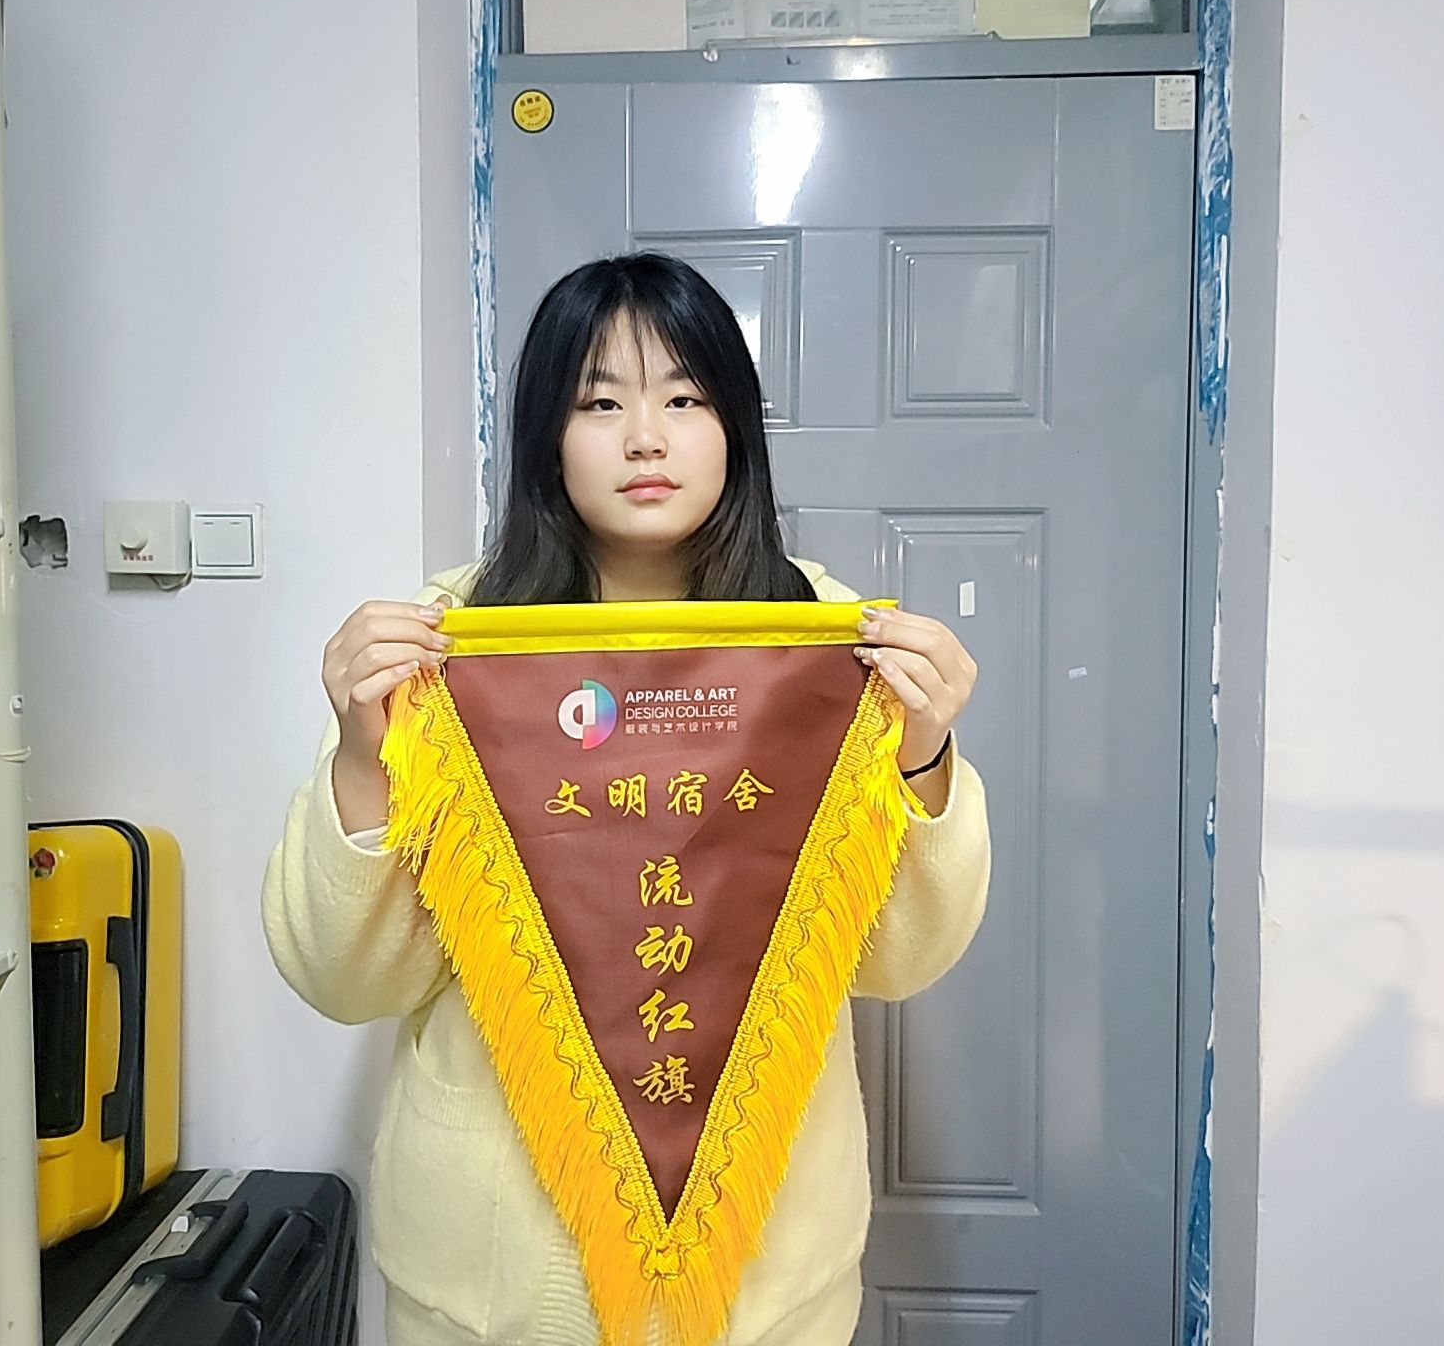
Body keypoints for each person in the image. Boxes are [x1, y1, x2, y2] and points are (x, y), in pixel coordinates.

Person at [263, 253, 991, 1345]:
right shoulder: (440, 648)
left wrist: (923, 757)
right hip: (494, 1291)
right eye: (600, 402)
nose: (645, 437)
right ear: (546, 438)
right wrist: (365, 760)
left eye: (684, 399)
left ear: (734, 428)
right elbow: (343, 977)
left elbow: (901, 962)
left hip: (766, 1287)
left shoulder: (838, 644)